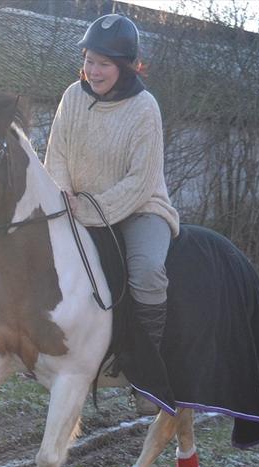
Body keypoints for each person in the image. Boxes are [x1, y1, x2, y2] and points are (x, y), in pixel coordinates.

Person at [44, 13, 179, 413]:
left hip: (139, 209)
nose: (94, 70)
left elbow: (140, 182)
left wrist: (86, 209)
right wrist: (63, 193)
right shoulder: (72, 96)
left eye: (104, 63)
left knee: (148, 272)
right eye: (89, 60)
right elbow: (58, 155)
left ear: (126, 67)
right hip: (77, 205)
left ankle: (148, 375)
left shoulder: (144, 108)